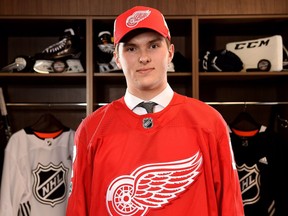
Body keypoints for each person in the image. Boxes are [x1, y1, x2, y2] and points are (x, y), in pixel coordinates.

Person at [66, 5, 244, 216]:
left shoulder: (209, 122)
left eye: (153, 46)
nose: (143, 57)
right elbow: (78, 208)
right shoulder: (91, 129)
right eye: (131, 48)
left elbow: (230, 204)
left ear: (169, 52)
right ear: (117, 57)